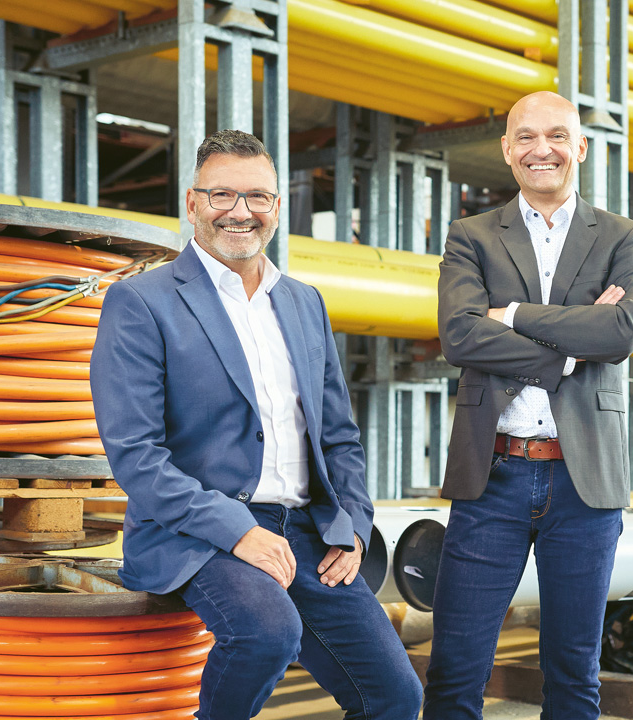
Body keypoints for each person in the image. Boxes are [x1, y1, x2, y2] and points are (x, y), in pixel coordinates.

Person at [91, 129, 422, 720]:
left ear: (276, 206)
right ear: (192, 203)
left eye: (258, 197)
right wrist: (238, 531)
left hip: (311, 535)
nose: (241, 212)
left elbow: (338, 433)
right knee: (268, 634)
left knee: (395, 696)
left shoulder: (303, 301)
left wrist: (352, 522)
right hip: (200, 533)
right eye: (222, 195)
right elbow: (136, 454)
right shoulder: (142, 302)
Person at [423, 92, 633, 719]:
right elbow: (460, 334)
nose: (540, 149)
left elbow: (622, 334)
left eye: (556, 135)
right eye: (525, 137)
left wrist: (515, 317)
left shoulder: (622, 237)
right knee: (454, 671)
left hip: (585, 488)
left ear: (580, 147)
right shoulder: (470, 235)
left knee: (574, 675)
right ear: (506, 149)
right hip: (491, 475)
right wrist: (569, 351)